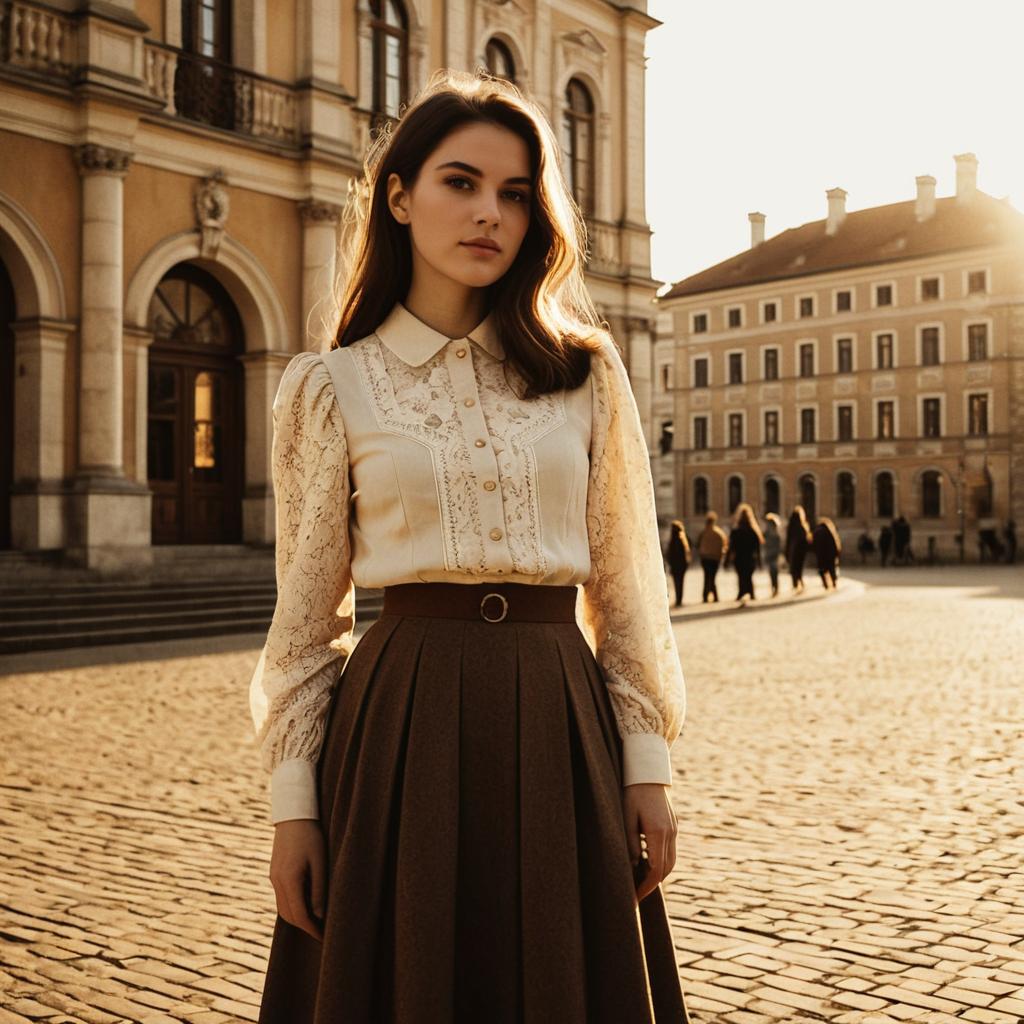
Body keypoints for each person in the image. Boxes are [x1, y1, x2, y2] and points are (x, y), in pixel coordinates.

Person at [248, 71, 692, 1023]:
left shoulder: (584, 374)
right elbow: (305, 621)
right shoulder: (333, 386)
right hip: (401, 723)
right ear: (398, 197)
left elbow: (626, 585)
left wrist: (646, 766)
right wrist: (296, 806)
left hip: (561, 713)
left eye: (517, 193)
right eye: (462, 182)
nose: (490, 213)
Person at [726, 502, 763, 603]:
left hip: (739, 558)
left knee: (741, 576)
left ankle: (742, 593)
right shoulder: (753, 532)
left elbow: (731, 547)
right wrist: (759, 562)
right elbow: (757, 548)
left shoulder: (736, 531)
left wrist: (727, 561)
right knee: (748, 576)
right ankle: (750, 593)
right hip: (750, 558)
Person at [696, 511, 728, 603]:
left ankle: (706, 596)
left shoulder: (703, 532)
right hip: (715, 558)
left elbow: (698, 545)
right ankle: (714, 596)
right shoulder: (719, 533)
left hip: (705, 558)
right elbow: (724, 545)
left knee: (707, 577)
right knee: (712, 578)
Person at [785, 505, 813, 594]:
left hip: (793, 550)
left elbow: (788, 539)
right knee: (798, 568)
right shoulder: (803, 526)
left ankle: (796, 584)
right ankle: (799, 582)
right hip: (800, 551)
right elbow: (807, 540)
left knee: (794, 568)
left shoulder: (791, 525)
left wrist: (787, 550)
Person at [664, 519, 691, 608]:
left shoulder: (674, 539)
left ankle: (678, 599)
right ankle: (679, 599)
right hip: (682, 565)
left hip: (675, 565)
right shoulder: (683, 537)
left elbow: (669, 553)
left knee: (677, 582)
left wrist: (669, 562)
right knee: (680, 582)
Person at [812, 516, 842, 589]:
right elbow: (835, 544)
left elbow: (813, 544)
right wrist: (837, 554)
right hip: (830, 554)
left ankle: (825, 584)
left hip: (821, 554)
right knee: (831, 569)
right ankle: (834, 583)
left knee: (822, 570)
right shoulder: (830, 531)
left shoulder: (817, 531)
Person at [762, 513, 782, 597]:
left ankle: (775, 588)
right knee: (772, 572)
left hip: (774, 555)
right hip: (769, 554)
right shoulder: (767, 533)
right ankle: (774, 588)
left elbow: (779, 546)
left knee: (774, 572)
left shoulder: (776, 534)